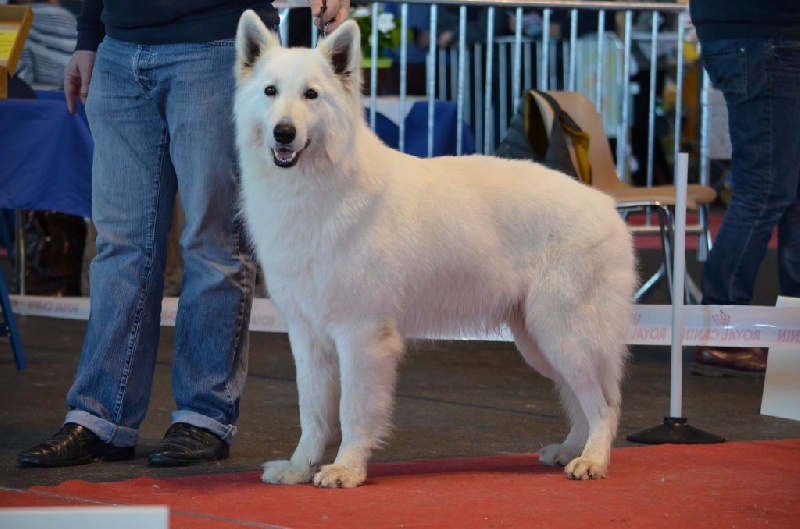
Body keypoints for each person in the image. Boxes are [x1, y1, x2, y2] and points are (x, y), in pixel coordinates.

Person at [17, 0, 350, 468]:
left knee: (213, 242)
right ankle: (100, 418)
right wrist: (89, 35)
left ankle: (204, 416)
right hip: (118, 47)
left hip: (216, 42)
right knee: (119, 246)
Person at [689, 0, 800, 377]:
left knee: (783, 189)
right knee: (766, 190)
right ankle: (723, 330)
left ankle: (788, 324)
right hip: (765, 37)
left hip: (755, 36)